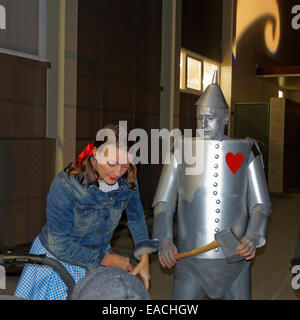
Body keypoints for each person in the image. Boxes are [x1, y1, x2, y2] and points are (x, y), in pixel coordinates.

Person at [152, 71, 272, 299]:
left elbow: (260, 205)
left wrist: (252, 236)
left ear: (226, 118)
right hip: (190, 255)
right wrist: (164, 238)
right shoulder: (181, 150)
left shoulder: (246, 152)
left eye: (211, 117)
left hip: (234, 255)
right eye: (199, 118)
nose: (203, 124)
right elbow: (164, 202)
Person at [14, 124, 157, 300]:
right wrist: (106, 260)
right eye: (111, 163)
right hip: (58, 260)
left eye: (125, 165)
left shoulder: (128, 182)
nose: (117, 172)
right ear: (95, 153)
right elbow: (60, 245)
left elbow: (136, 219)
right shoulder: (65, 185)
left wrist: (144, 259)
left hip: (97, 255)